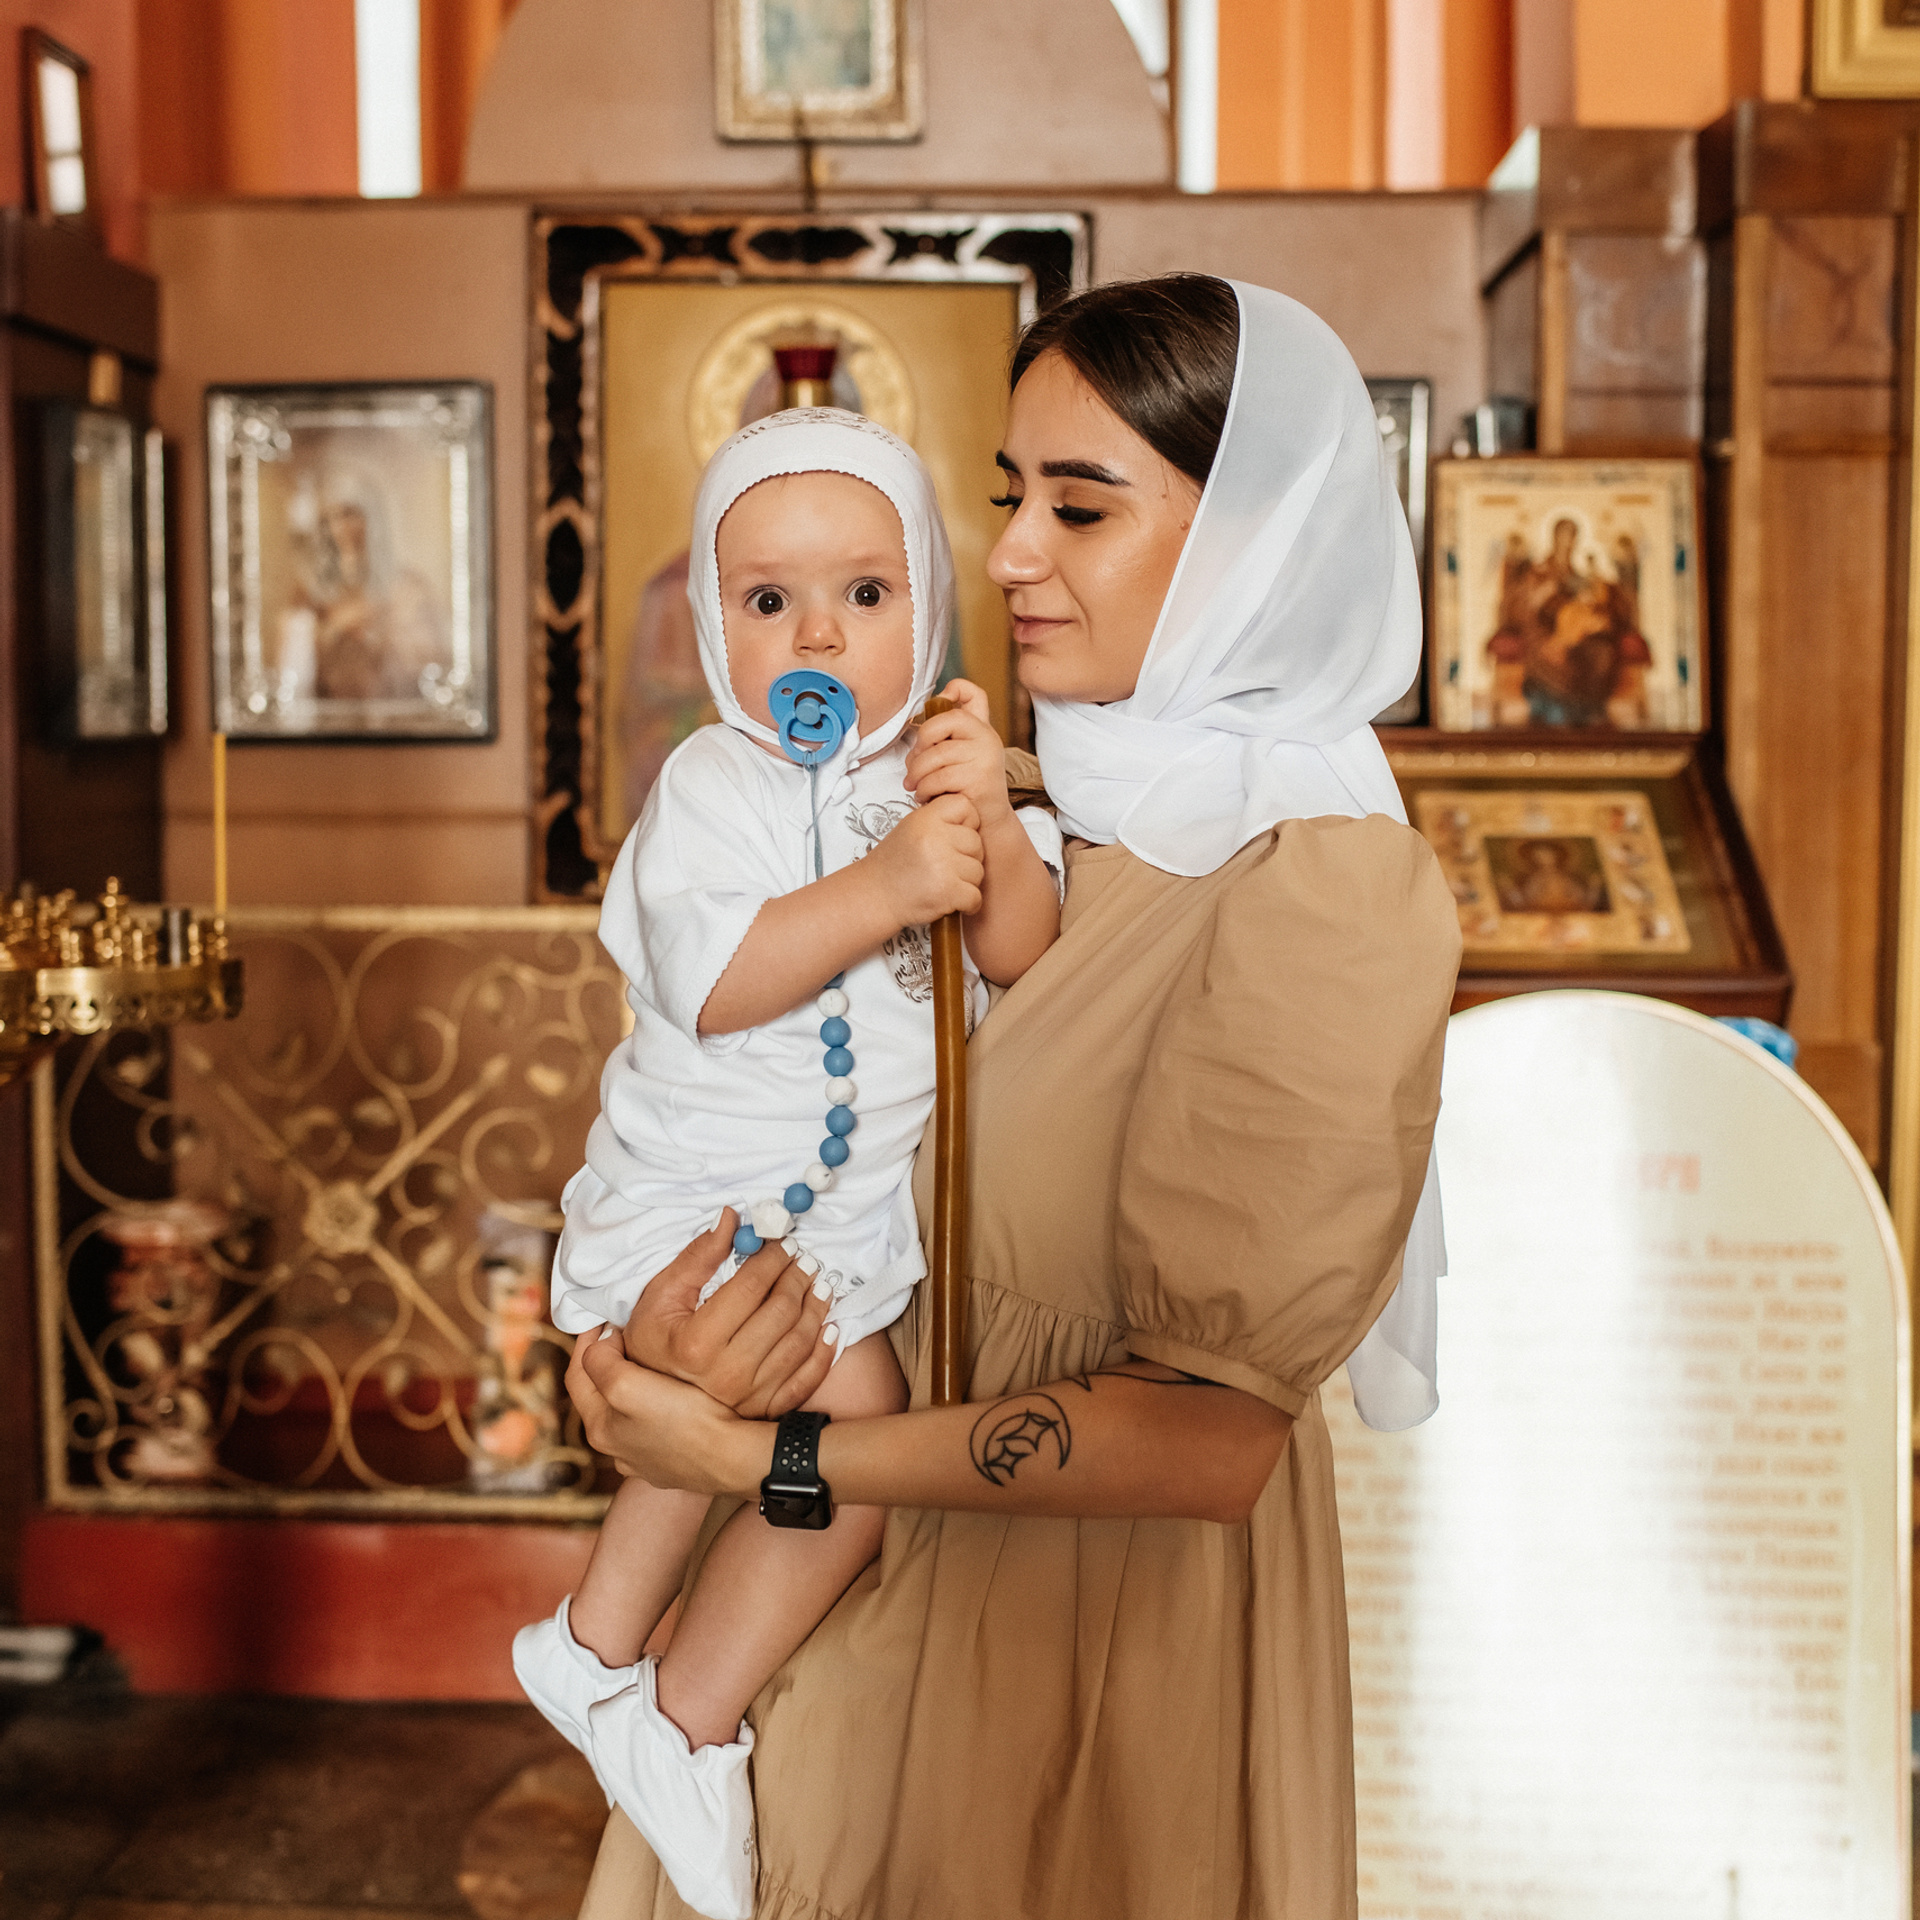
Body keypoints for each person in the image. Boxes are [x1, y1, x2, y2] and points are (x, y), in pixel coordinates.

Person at [562, 276, 1461, 1919]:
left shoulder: (1322, 888)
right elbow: (792, 1158)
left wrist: (771, 1463)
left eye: (1081, 505)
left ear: (1251, 542)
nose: (1010, 554)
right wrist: (671, 1367)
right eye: (1005, 496)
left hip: (1096, 1654)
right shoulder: (1006, 817)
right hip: (830, 1618)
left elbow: (1205, 1441)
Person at [513, 408, 1063, 1920]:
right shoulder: (710, 787)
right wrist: (890, 885)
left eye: (866, 597)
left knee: (837, 1450)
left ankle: (639, 1684)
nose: (819, 632)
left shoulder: (948, 780)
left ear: (929, 608)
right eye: (770, 603)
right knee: (804, 1420)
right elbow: (709, 977)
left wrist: (990, 835)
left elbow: (1024, 958)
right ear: (712, 626)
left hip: (831, 1235)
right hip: (695, 1202)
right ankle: (649, 1686)